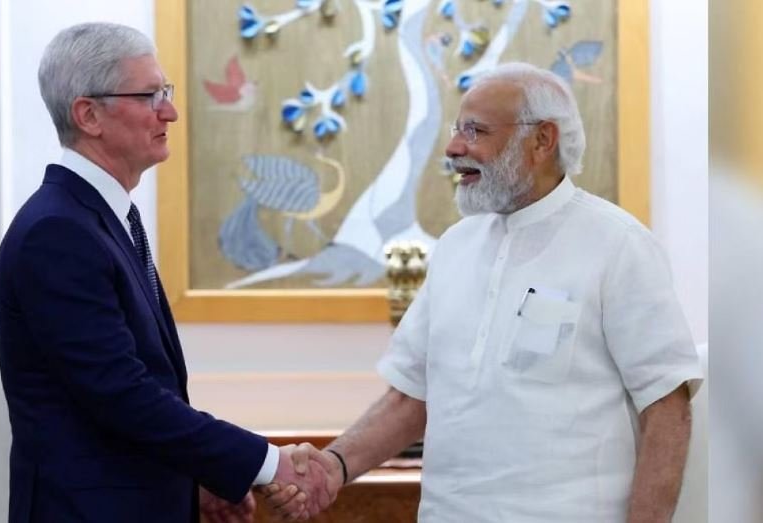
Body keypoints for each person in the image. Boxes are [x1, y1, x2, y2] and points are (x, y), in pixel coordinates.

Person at [264, 62, 704, 522]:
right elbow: (411, 397)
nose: (454, 148)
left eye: (475, 131)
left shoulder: (618, 244)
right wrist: (334, 466)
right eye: (457, 130)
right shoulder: (456, 246)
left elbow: (667, 408)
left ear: (542, 140)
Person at [0, 22, 335, 523]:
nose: (169, 111)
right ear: (88, 115)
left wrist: (194, 479)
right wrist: (267, 464)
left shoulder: (101, 219)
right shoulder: (57, 233)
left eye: (165, 93)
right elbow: (121, 393)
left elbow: (140, 394)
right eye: (150, 96)